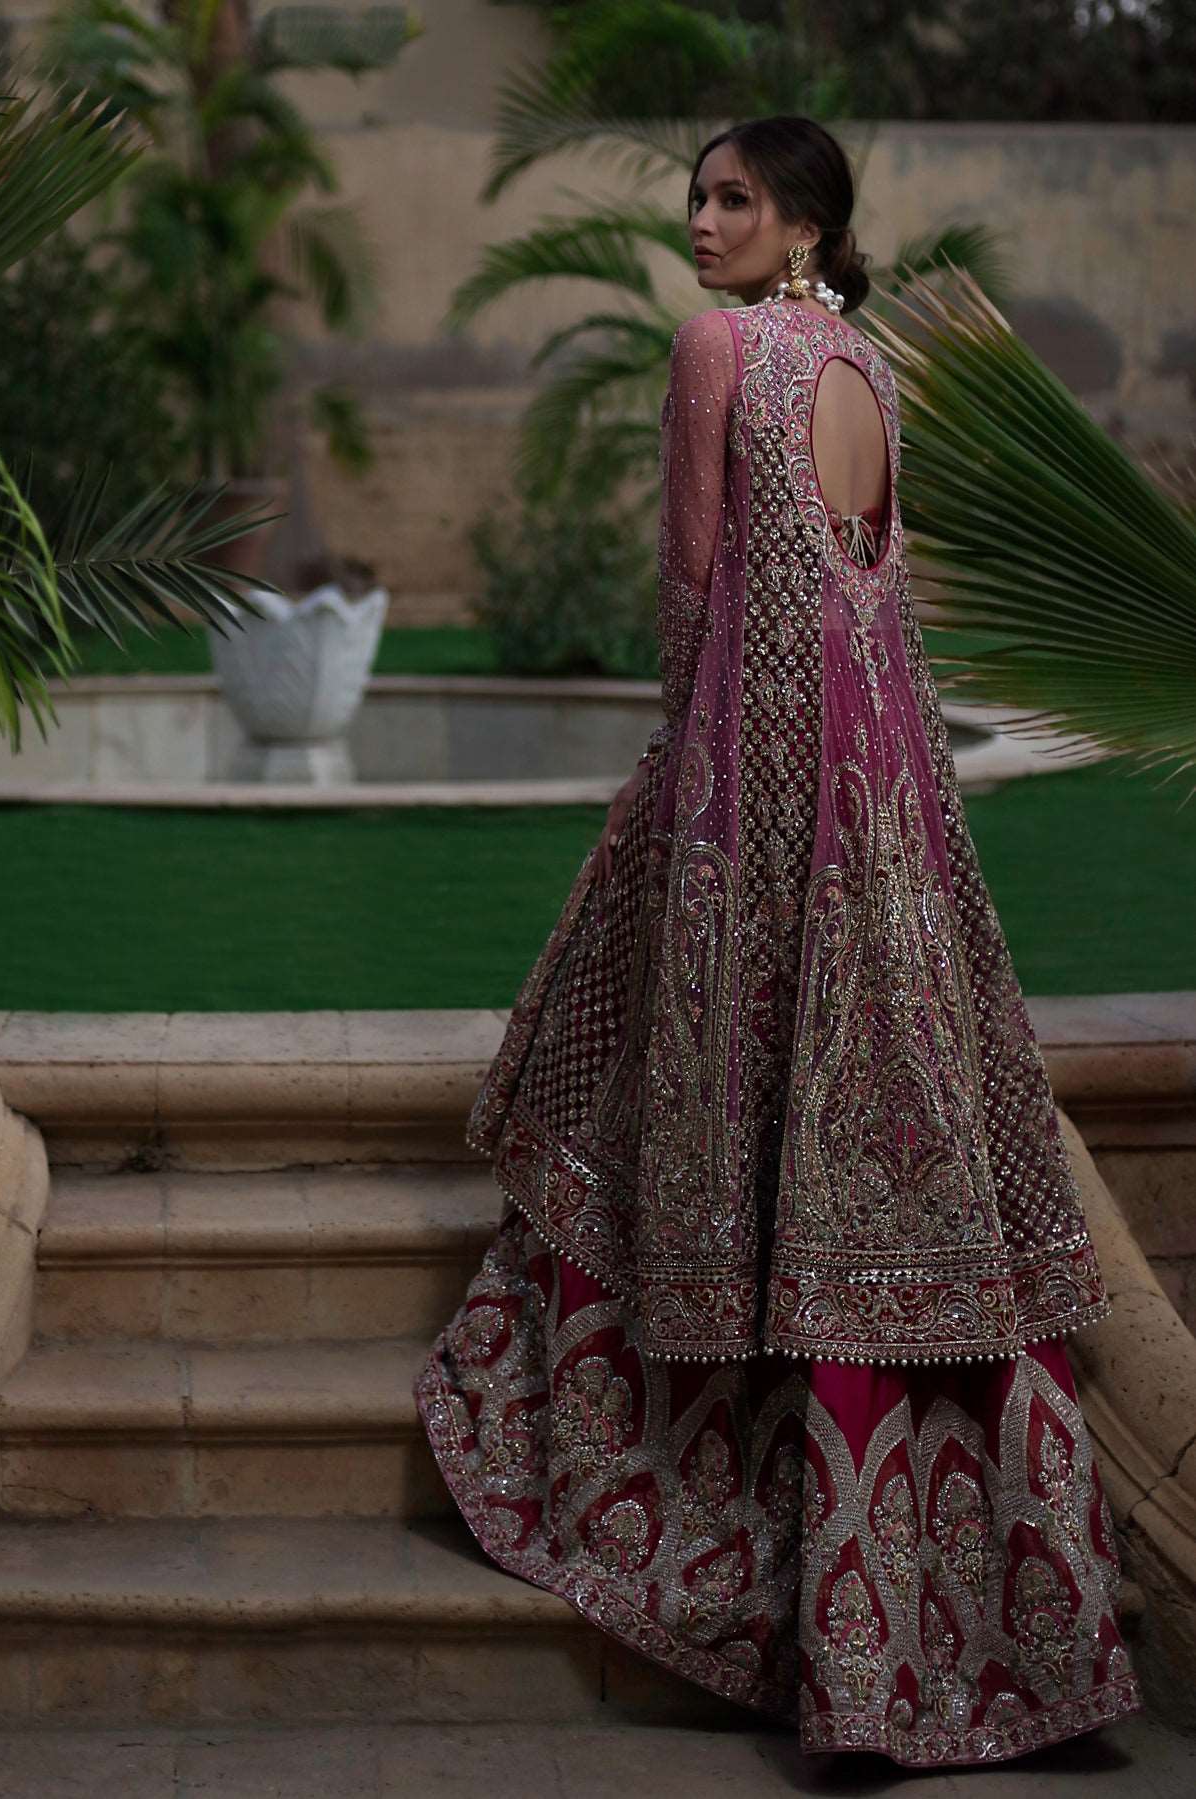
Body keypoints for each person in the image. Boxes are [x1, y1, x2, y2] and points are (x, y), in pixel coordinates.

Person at [413, 115, 1142, 1767]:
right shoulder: (868, 369)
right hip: (890, 819)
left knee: (687, 1108)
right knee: (885, 1169)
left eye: (732, 197)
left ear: (801, 217)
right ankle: (954, 1636)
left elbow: (692, 594)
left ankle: (680, 1517)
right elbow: (869, 588)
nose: (699, 221)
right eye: (695, 198)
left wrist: (685, 796)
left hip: (752, 801)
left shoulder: (712, 348)